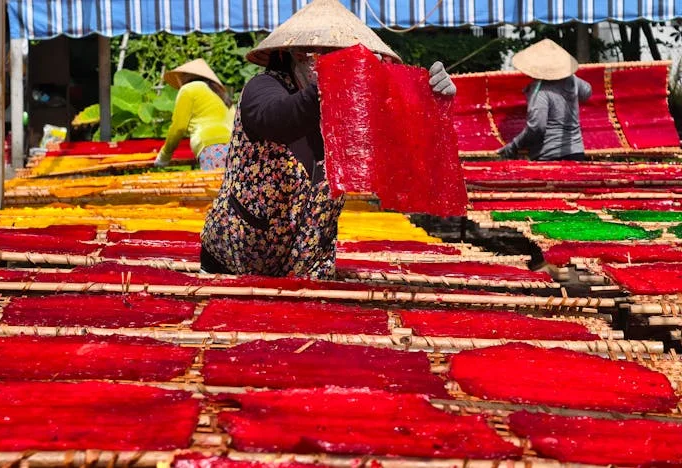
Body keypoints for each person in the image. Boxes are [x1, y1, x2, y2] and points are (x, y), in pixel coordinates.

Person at [200, 0, 456, 279]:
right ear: (297, 54)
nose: (338, 64)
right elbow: (279, 120)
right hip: (236, 260)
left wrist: (430, 103)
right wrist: (327, 84)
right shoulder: (262, 88)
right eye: (325, 56)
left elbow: (404, 149)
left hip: (309, 265)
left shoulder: (353, 108)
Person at [497, 39, 592, 161]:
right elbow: (587, 92)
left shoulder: (540, 91)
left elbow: (537, 128)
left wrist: (513, 146)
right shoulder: (572, 80)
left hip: (549, 156)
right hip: (576, 152)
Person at [154, 59, 233, 171]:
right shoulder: (220, 92)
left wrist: (164, 155)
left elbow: (178, 127)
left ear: (185, 76)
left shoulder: (188, 89)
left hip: (211, 147)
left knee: (214, 182)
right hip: (235, 148)